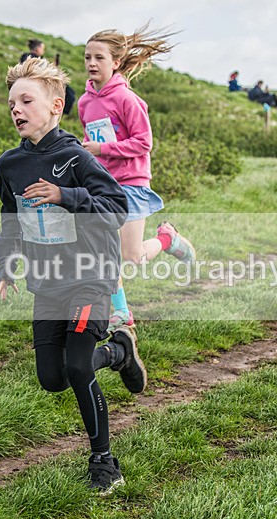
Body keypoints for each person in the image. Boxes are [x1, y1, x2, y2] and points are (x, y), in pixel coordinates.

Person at [0, 57, 147, 493]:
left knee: (79, 365)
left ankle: (104, 461)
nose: (16, 110)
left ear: (56, 106)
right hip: (47, 282)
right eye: (11, 104)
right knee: (52, 378)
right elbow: (10, 217)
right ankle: (119, 351)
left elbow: (116, 206)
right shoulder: (9, 164)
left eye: (26, 100)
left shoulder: (75, 156)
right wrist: (6, 262)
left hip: (91, 275)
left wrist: (65, 194)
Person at [78, 25, 195, 331]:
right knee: (106, 252)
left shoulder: (128, 100)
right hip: (102, 187)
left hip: (130, 183)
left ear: (115, 62)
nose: (91, 63)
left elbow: (144, 143)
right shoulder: (84, 102)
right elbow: (90, 140)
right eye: (87, 56)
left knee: (131, 256)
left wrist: (102, 147)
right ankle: (121, 312)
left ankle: (167, 239)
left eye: (99, 57)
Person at [19, 38, 75, 115]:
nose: (43, 51)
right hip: (40, 83)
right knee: (69, 93)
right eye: (42, 48)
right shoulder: (32, 58)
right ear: (38, 48)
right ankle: (62, 112)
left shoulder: (26, 57)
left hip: (38, 82)